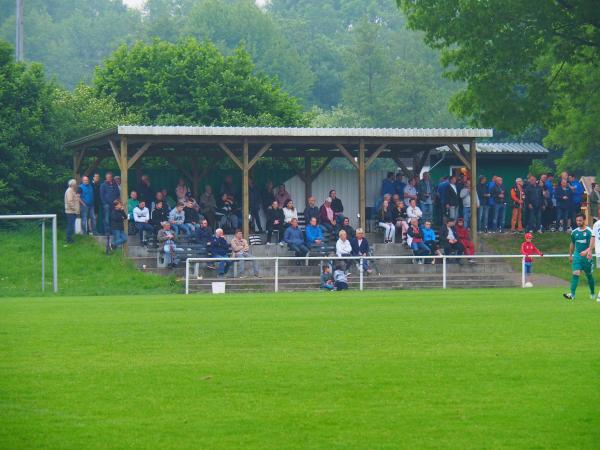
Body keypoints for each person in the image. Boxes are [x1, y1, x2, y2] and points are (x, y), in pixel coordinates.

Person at [563, 213, 595, 301]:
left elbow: (593, 244)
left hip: (587, 257)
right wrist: (570, 255)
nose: (578, 222)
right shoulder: (574, 232)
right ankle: (572, 295)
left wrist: (587, 251)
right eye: (577, 220)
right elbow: (572, 243)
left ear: (584, 220)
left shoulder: (590, 231)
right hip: (577, 256)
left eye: (580, 220)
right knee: (575, 273)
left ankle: (592, 293)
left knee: (589, 275)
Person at [64, 179, 80, 244]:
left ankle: (70, 238)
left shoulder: (72, 191)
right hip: (70, 211)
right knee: (70, 225)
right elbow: (70, 201)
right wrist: (75, 209)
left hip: (72, 211)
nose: (76, 185)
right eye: (75, 184)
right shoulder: (69, 191)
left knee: (71, 225)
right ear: (73, 184)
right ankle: (69, 239)